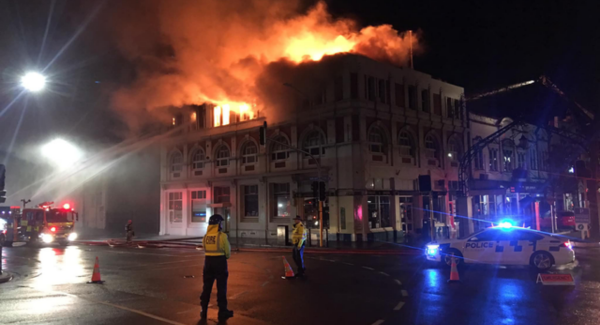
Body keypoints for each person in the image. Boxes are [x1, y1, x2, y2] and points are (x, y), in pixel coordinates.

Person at [200, 214, 233, 321]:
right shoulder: (222, 236)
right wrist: (224, 257)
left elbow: (204, 248)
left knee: (206, 287)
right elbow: (227, 252)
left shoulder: (206, 236)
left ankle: (203, 310)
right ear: (218, 224)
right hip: (220, 263)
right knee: (221, 288)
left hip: (208, 263)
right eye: (221, 223)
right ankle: (222, 311)